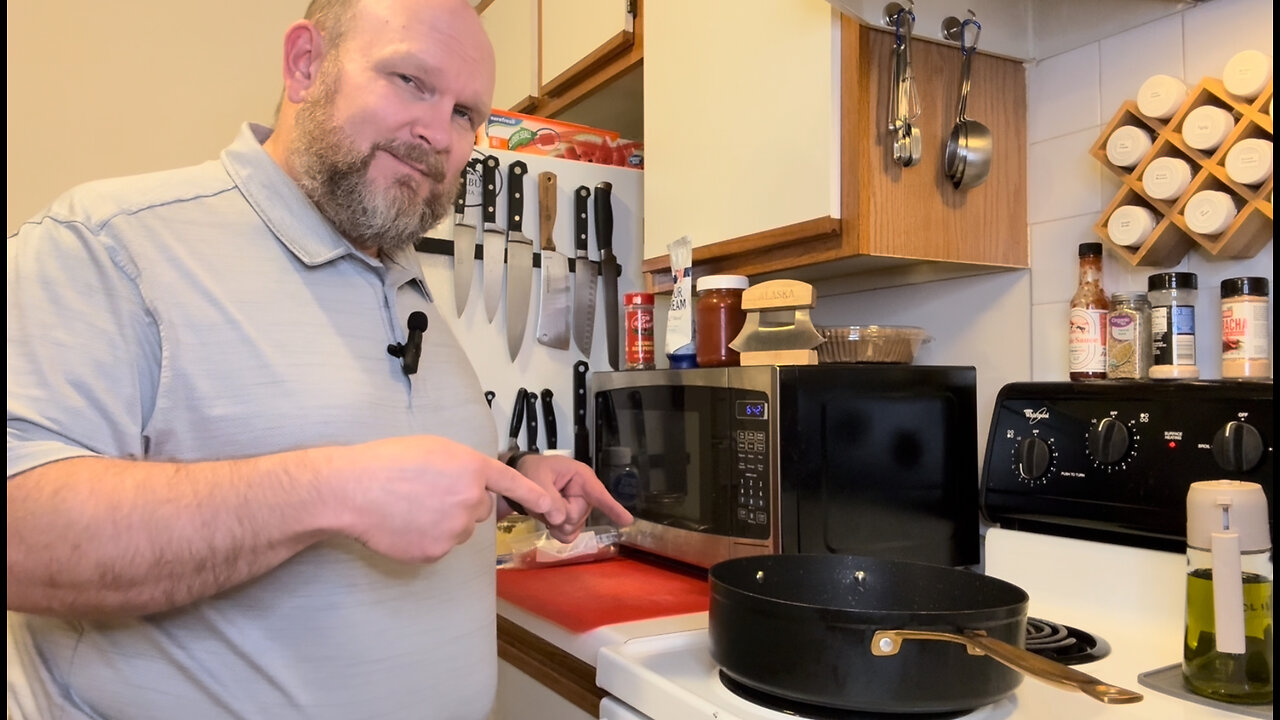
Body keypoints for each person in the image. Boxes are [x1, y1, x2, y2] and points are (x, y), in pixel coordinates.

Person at [6, 0, 632, 717]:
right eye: (409, 80)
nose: (437, 133)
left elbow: (405, 480)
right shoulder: (110, 243)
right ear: (306, 65)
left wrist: (517, 479)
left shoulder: (399, 270)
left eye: (465, 113)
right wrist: (333, 492)